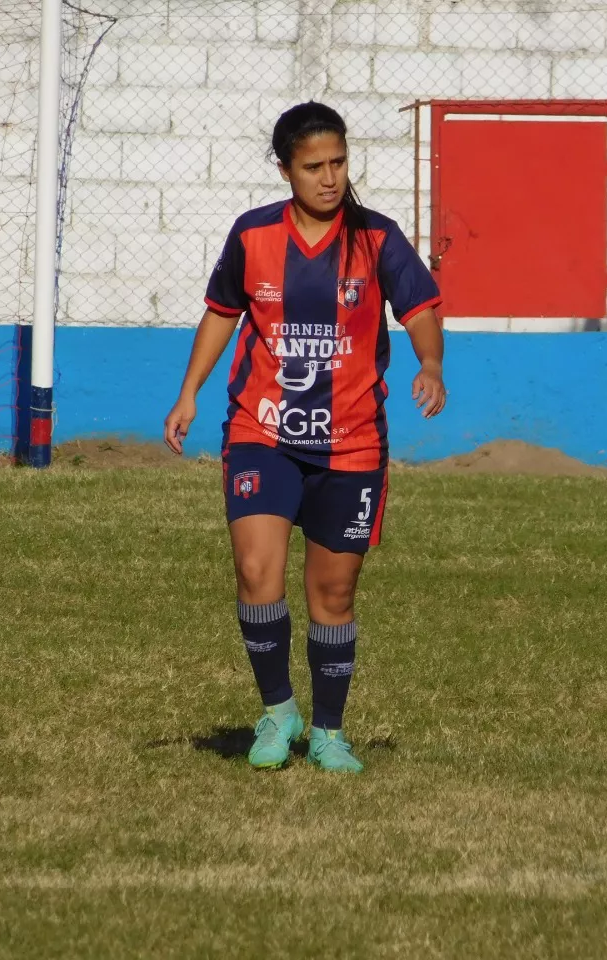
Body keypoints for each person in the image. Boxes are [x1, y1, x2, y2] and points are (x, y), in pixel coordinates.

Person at [162, 102, 446, 774]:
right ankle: (277, 711)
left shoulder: (377, 239)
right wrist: (189, 391)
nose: (329, 177)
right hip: (262, 432)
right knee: (256, 570)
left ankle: (327, 732)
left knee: (333, 595)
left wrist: (431, 364)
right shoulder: (253, 234)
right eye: (314, 166)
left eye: (339, 163)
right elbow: (221, 313)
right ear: (285, 169)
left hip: (351, 445)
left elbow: (421, 310)